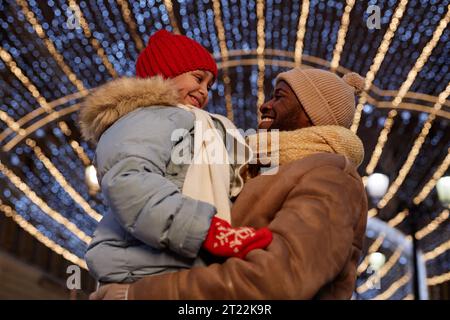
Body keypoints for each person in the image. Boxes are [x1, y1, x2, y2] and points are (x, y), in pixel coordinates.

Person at [90, 67, 368, 300]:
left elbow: (278, 280)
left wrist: (138, 295)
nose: (265, 105)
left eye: (279, 98)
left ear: (312, 114)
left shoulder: (330, 175)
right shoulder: (254, 171)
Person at [79, 30, 272, 286]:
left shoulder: (191, 122)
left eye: (209, 85)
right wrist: (206, 230)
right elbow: (130, 179)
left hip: (175, 264)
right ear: (164, 74)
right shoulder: (150, 117)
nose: (204, 91)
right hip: (145, 265)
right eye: (198, 78)